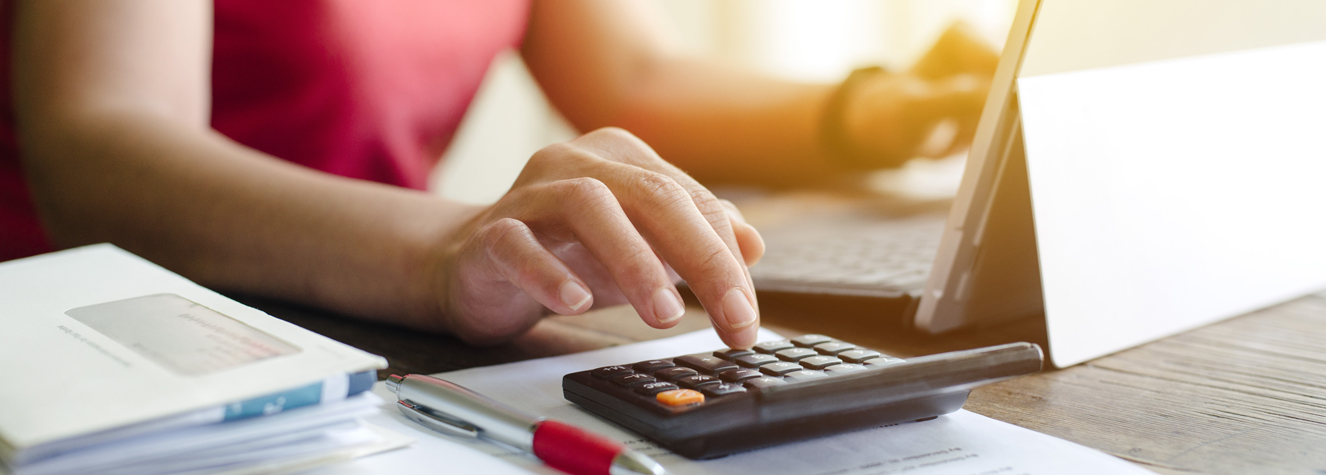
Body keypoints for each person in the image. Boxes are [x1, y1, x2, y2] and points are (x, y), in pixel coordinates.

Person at [0, 0, 997, 349]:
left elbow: (633, 72)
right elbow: (104, 141)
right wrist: (446, 253)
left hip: (372, 343)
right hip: (93, 350)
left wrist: (874, 114)